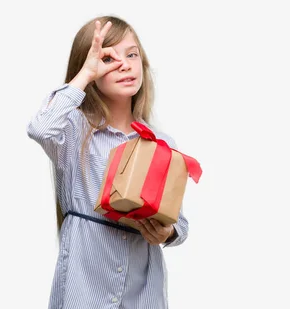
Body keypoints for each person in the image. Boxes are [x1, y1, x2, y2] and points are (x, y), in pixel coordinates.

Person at [26, 15, 189, 309]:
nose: (125, 64)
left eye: (132, 54)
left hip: (143, 294)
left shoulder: (160, 144)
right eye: (108, 58)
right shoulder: (74, 130)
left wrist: (168, 231)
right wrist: (85, 74)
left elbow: (180, 222)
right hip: (84, 288)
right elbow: (40, 127)